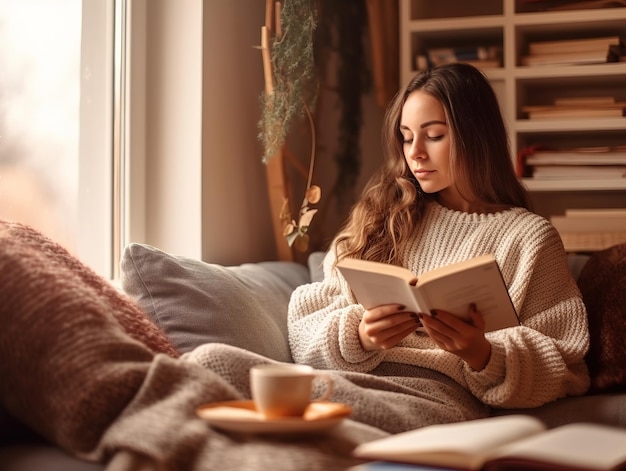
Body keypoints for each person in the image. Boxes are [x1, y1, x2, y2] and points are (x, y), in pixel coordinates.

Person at [286, 62, 590, 432]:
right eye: (406, 135)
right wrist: (359, 336)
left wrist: (483, 354)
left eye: (433, 136)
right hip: (345, 382)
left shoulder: (528, 237)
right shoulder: (382, 215)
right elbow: (303, 327)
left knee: (291, 416)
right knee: (213, 359)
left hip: (432, 402)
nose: (414, 153)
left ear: (474, 137)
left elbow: (568, 367)